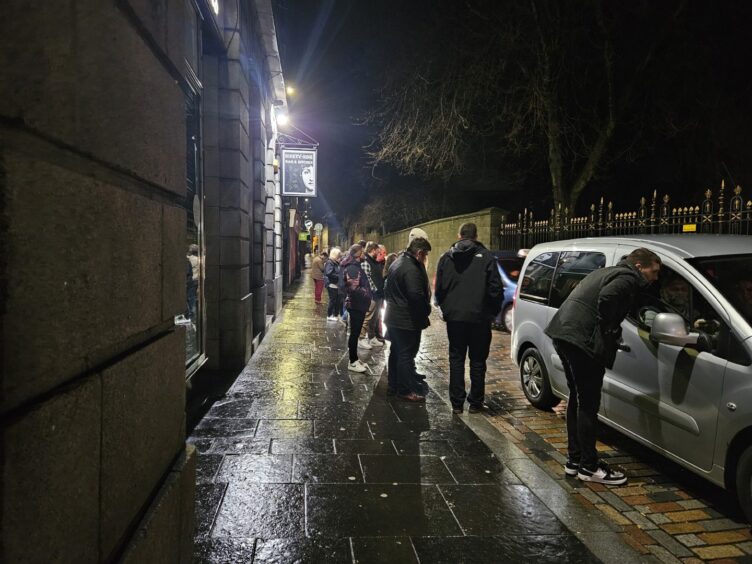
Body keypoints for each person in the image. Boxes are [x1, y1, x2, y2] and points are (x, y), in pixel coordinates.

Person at [545, 248, 661, 486]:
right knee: (587, 403)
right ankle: (589, 467)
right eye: (654, 271)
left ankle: (574, 461)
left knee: (577, 399)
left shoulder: (607, 270)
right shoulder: (628, 278)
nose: (655, 277)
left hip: (564, 334)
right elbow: (607, 298)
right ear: (640, 266)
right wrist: (610, 330)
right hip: (582, 341)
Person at [435, 223, 503, 415]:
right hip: (480, 318)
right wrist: (490, 312)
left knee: (456, 359)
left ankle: (457, 403)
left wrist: (446, 308)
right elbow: (495, 289)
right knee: (478, 360)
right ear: (476, 235)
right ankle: (475, 402)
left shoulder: (447, 257)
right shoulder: (487, 257)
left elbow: (439, 289)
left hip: (455, 318)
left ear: (460, 235)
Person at [384, 237, 432, 401]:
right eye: (425, 255)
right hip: (405, 319)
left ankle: (393, 385)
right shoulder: (411, 268)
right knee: (406, 354)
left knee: (396, 352)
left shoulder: (397, 262)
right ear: (419, 253)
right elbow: (415, 296)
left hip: (393, 316)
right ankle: (404, 390)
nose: (425, 258)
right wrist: (426, 310)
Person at [340, 245, 372, 372]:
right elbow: (353, 288)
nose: (364, 254)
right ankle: (352, 362)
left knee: (356, 333)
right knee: (354, 334)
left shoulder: (355, 266)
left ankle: (355, 358)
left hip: (358, 304)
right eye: (362, 252)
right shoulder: (353, 268)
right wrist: (367, 294)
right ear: (357, 255)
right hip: (356, 305)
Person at [360, 241, 385, 350]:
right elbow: (367, 280)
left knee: (374, 318)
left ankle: (372, 337)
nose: (378, 253)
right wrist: (375, 291)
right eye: (377, 251)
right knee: (367, 317)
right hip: (371, 295)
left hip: (378, 294)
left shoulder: (374, 261)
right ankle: (360, 339)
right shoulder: (366, 261)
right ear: (373, 250)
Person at [324, 247, 343, 321]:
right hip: (332, 284)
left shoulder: (334, 262)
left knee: (336, 300)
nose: (339, 257)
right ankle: (329, 315)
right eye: (338, 256)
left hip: (335, 284)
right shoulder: (330, 262)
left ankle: (335, 314)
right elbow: (329, 273)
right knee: (333, 300)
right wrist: (339, 276)